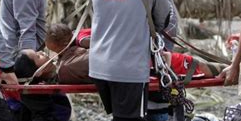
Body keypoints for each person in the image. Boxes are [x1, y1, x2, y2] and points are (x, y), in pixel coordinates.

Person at [44, 23, 222, 85]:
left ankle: (237, 67)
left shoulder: (69, 63)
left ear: (56, 46)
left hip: (157, 65)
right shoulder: (73, 56)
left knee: (217, 70)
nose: (43, 56)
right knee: (214, 69)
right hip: (155, 64)